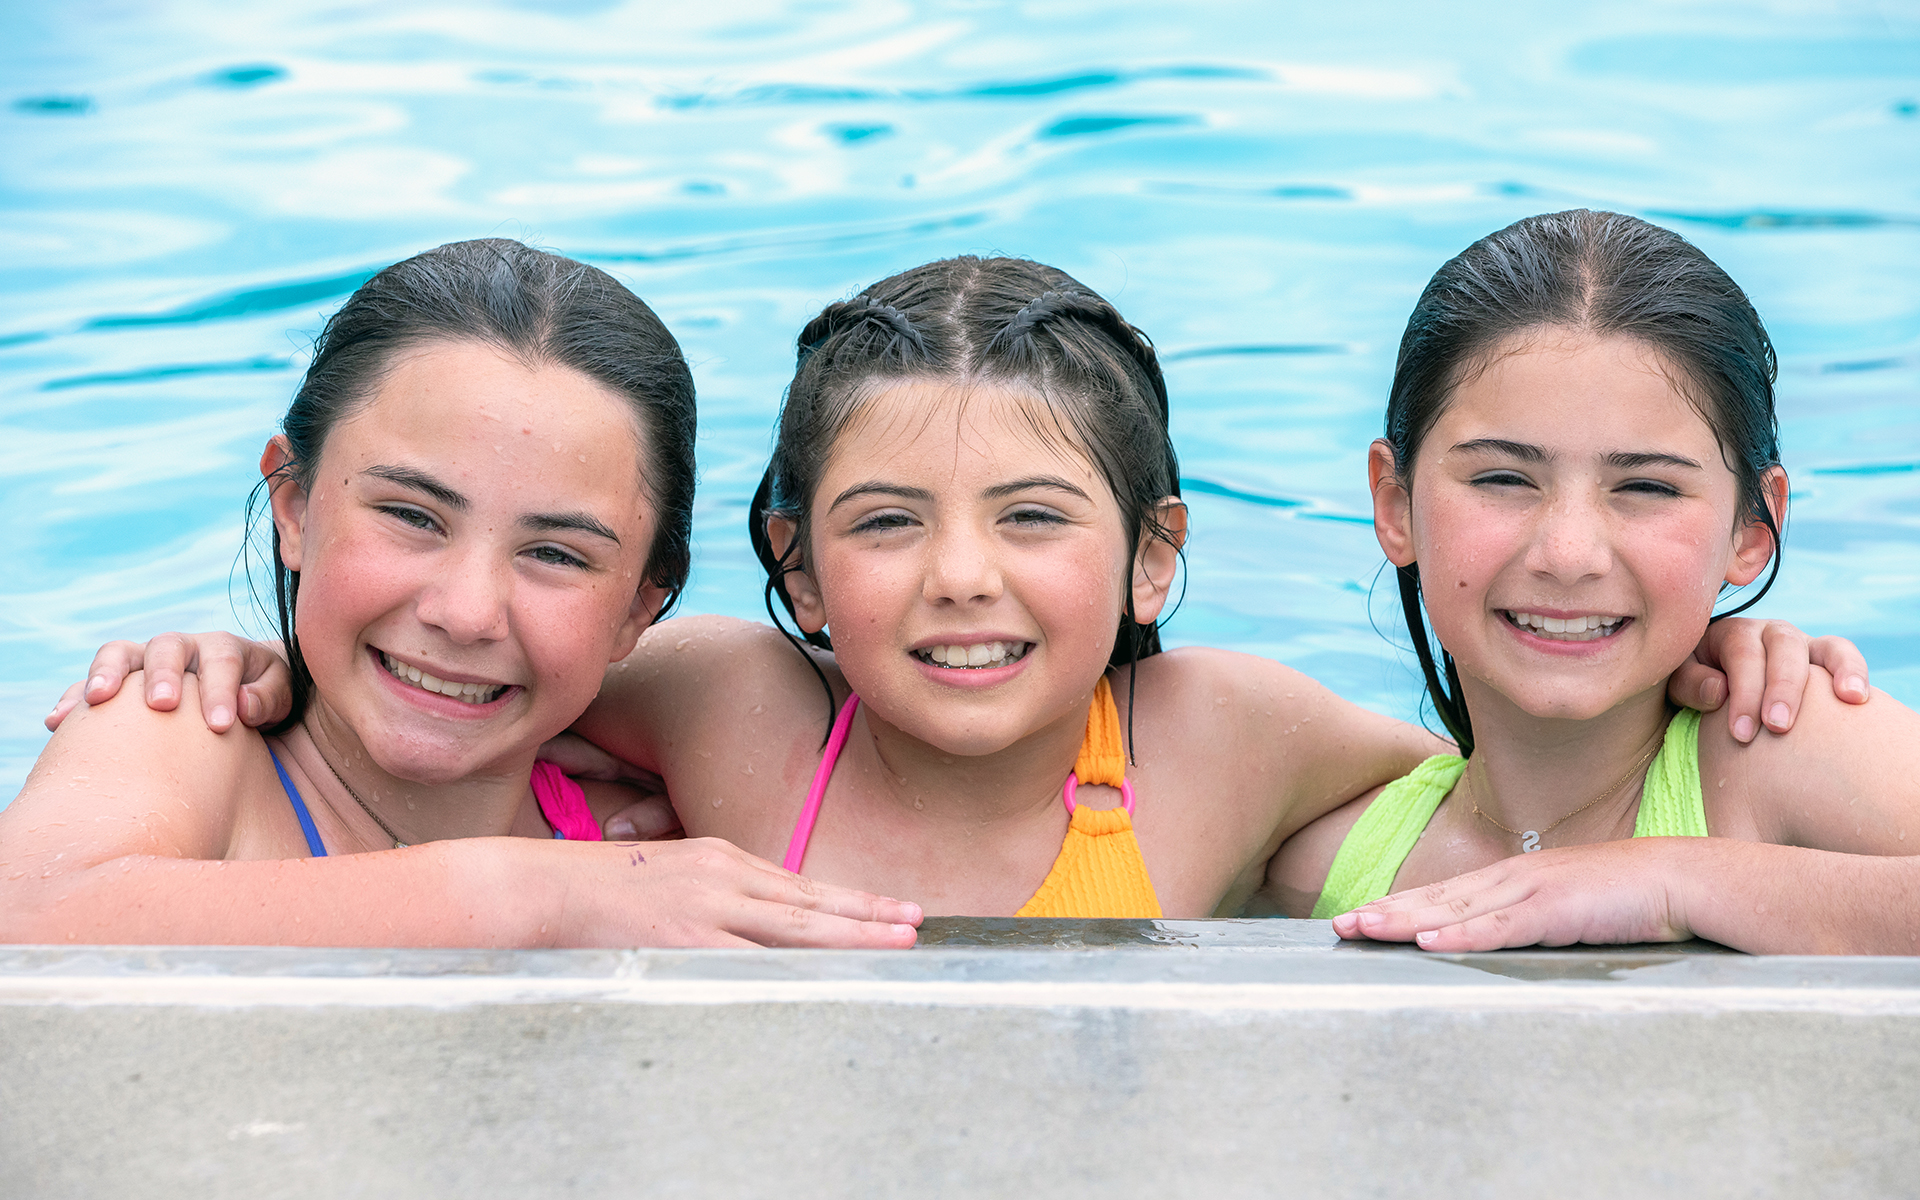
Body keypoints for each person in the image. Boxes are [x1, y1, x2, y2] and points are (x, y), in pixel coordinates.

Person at [52, 255, 1866, 921]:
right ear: (788, 566)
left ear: (1155, 554)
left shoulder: (1230, 739)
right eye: (886, 524)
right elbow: (484, 679)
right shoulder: (720, 705)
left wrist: (1709, 660)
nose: (961, 582)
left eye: (1034, 518)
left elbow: (1479, 783)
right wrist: (255, 655)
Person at [1, 238, 920, 949]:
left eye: (555, 554)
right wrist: (527, 895)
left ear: (640, 610)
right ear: (294, 506)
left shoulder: (640, 848)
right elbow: (30, 912)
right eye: (412, 516)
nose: (466, 612)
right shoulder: (185, 733)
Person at [1264, 210, 1920, 954]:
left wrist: (1676, 878)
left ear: (1750, 529)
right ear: (1395, 506)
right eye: (1503, 478)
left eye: (1647, 487)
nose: (1569, 555)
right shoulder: (1329, 862)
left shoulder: (1777, 748)